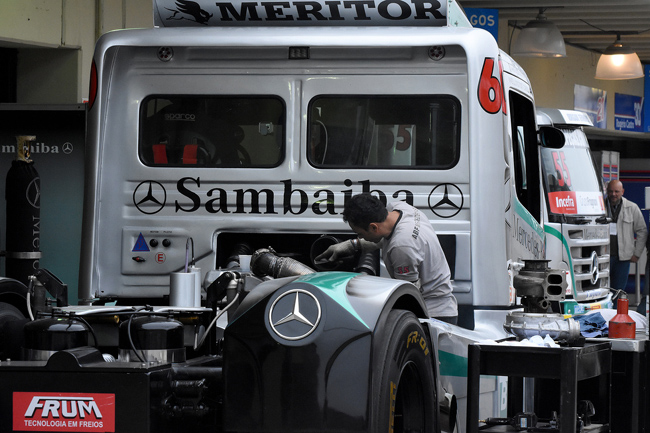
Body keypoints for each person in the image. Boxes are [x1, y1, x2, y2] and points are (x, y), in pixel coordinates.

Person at [315, 193, 458, 323]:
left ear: (373, 227)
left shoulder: (402, 247)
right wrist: (352, 245)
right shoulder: (401, 208)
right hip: (441, 304)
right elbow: (388, 238)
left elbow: (407, 296)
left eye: (360, 233)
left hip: (435, 315)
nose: (360, 237)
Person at [606, 179, 648, 291]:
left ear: (622, 191)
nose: (613, 194)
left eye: (616, 191)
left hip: (623, 259)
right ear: (606, 191)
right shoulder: (600, 207)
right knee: (602, 290)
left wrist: (637, 253)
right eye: (610, 191)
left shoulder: (632, 207)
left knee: (618, 291)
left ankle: (616, 309)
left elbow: (642, 230)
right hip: (603, 257)